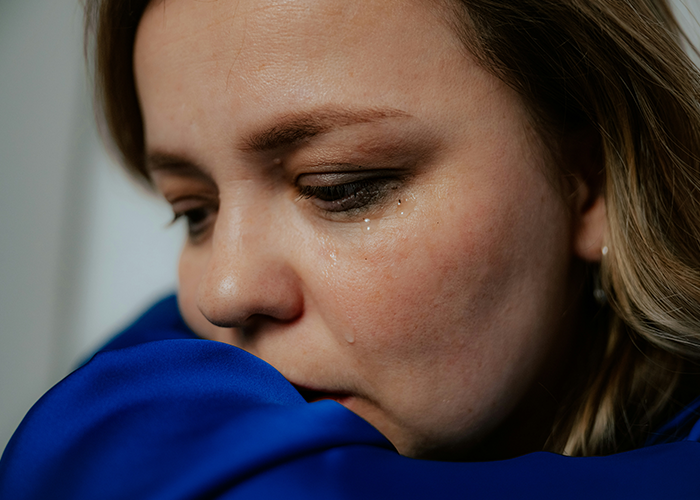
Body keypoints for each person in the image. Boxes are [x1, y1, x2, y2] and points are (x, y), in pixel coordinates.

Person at [1, 0, 699, 497]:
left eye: (340, 187)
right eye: (195, 211)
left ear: (594, 178)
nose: (223, 293)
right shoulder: (175, 345)